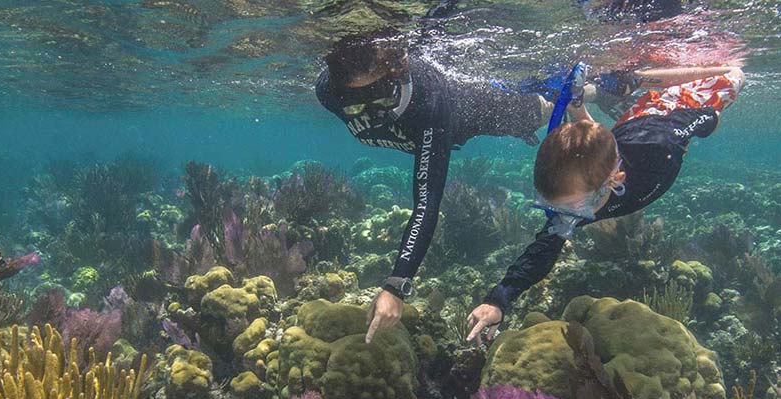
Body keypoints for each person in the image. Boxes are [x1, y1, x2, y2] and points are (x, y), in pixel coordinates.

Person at [464, 65, 745, 343]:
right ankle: (580, 101)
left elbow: (704, 120)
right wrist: (498, 300)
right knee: (606, 143)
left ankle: (633, 80)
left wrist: (710, 118)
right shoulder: (576, 202)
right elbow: (541, 252)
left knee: (736, 76)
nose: (568, 218)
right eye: (555, 207)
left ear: (616, 181)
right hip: (623, 132)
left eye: (576, 206)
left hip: (670, 117)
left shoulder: (663, 147)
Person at [314, 28, 556, 344]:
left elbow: (427, 201)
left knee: (540, 110)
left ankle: (592, 90)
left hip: (468, 109)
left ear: (396, 73)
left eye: (379, 94)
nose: (372, 111)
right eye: (355, 101)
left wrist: (396, 285)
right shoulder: (328, 92)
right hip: (427, 125)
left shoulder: (427, 98)